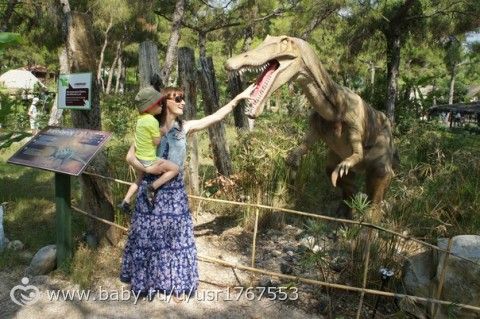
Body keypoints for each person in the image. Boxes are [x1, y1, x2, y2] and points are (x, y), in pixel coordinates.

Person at [120, 84, 254, 299]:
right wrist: (148, 169)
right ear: (165, 102)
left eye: (183, 98)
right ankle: (149, 284)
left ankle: (175, 284)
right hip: (150, 191)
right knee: (149, 239)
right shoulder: (150, 127)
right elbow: (130, 157)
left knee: (176, 241)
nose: (183, 102)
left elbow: (215, 117)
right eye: (178, 98)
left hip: (173, 193)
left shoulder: (185, 128)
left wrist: (237, 98)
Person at [118, 86, 180, 213]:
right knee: (175, 169)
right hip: (149, 160)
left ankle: (126, 200)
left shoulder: (140, 120)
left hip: (140, 157)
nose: (161, 105)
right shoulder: (152, 121)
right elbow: (156, 142)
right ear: (150, 106)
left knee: (138, 179)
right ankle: (152, 187)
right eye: (158, 103)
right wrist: (160, 134)